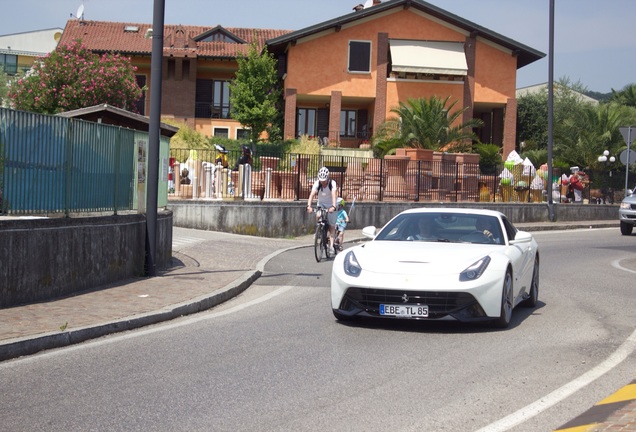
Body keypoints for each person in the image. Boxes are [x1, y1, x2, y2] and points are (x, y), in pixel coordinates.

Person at [306, 166, 338, 253]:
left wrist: (333, 206)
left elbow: (333, 195)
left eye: (324, 181)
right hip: (321, 204)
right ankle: (319, 229)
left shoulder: (332, 183)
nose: (322, 183)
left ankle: (331, 245)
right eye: (321, 180)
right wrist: (308, 206)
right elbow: (312, 195)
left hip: (331, 204)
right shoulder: (317, 183)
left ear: (327, 178)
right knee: (318, 215)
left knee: (331, 226)